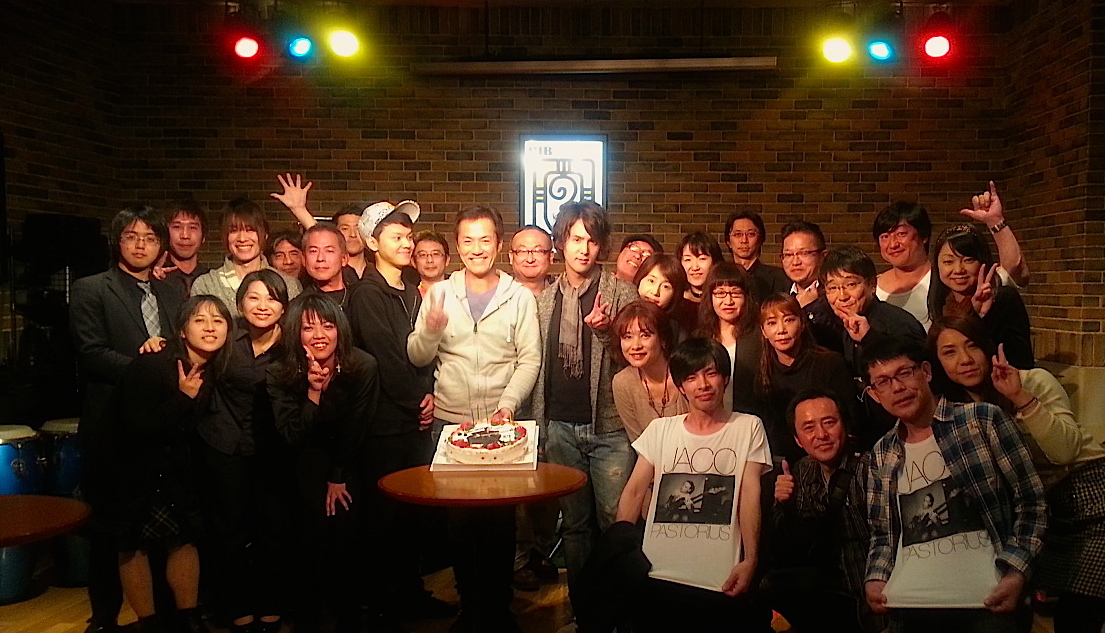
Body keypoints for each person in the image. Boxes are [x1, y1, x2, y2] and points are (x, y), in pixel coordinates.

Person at [408, 205, 541, 632]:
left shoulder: (519, 297)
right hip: (451, 424)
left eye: (485, 240)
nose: (477, 248)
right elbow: (417, 355)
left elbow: (529, 359)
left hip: (503, 426)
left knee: (501, 524)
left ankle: (499, 610)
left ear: (498, 245)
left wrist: (509, 404)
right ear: (458, 245)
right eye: (468, 240)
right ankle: (470, 608)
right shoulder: (438, 293)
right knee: (460, 525)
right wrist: (431, 328)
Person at [928, 316, 1105, 632]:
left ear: (987, 348)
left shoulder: (1032, 380)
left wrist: (1020, 397)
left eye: (972, 346)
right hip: (1044, 510)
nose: (965, 359)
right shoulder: (951, 409)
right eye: (949, 352)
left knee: (1079, 613)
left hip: (1089, 492)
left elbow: (1066, 451)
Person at [860, 338, 1046, 633]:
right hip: (912, 603)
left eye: (904, 373)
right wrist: (876, 577)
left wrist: (1016, 572)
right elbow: (883, 533)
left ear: (926, 371)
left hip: (987, 600)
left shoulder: (982, 421)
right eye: (883, 382)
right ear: (873, 393)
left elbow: (1032, 503)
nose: (897, 388)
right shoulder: (881, 453)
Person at [70, 205, 184, 633]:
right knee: (110, 532)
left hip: (163, 424)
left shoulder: (172, 292)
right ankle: (103, 618)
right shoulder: (91, 289)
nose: (141, 245)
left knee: (164, 529)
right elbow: (91, 353)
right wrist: (147, 366)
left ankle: (163, 617)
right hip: (111, 427)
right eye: (132, 237)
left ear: (161, 246)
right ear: (117, 242)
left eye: (150, 238)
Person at [614, 337, 773, 632]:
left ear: (725, 379)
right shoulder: (660, 430)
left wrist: (750, 559)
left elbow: (750, 493)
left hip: (720, 576)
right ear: (680, 386)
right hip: (657, 571)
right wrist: (620, 554)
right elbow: (634, 491)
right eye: (691, 377)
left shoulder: (748, 426)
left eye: (711, 373)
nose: (703, 385)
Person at [345, 200, 452, 627]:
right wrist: (416, 399)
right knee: (383, 518)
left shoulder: (409, 289)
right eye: (396, 236)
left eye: (408, 236)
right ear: (373, 243)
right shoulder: (368, 294)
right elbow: (387, 358)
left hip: (413, 420)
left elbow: (424, 351)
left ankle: (410, 594)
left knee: (412, 517)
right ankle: (383, 604)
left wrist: (428, 395)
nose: (406, 243)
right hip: (383, 425)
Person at [530, 200, 639, 617]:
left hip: (609, 428)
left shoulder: (621, 292)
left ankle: (621, 613)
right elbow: (536, 365)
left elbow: (637, 358)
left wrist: (607, 332)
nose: (584, 249)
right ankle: (585, 613)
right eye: (576, 239)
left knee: (616, 523)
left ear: (602, 246)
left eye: (592, 241)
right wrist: (539, 427)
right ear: (561, 243)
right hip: (559, 425)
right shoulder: (545, 299)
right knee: (575, 527)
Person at [106, 295, 232, 633]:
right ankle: (148, 623)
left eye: (218, 321)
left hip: (174, 468)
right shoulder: (153, 364)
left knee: (184, 538)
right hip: (132, 468)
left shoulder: (212, 367)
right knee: (132, 544)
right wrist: (182, 399)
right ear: (182, 330)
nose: (210, 328)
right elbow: (135, 426)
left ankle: (189, 619)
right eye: (199, 320)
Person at [267, 294, 378, 633]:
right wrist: (313, 394)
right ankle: (309, 617)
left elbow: (357, 426)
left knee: (346, 537)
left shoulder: (362, 365)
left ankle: (350, 617)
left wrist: (338, 476)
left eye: (328, 326)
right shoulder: (280, 372)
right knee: (308, 541)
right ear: (294, 332)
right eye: (308, 328)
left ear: (339, 329)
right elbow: (292, 435)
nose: (319, 335)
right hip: (301, 461)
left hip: (347, 460)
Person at [196, 270, 290, 633]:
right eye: (253, 297)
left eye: (272, 298)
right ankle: (237, 608)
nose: (262, 306)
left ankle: (271, 606)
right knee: (229, 532)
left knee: (272, 531)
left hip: (273, 448)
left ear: (284, 306)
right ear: (239, 304)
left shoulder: (293, 345)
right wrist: (157, 343)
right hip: (224, 445)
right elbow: (187, 344)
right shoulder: (225, 339)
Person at [766, 390, 876, 633]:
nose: (821, 435)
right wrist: (784, 505)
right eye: (809, 428)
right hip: (827, 595)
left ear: (845, 426)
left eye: (829, 422)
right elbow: (791, 545)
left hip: (872, 594)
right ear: (797, 439)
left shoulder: (872, 469)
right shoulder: (801, 471)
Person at [873, 182, 1030, 331]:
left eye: (901, 234)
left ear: (924, 235)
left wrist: (995, 221)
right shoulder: (870, 287)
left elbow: (1013, 268)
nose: (893, 244)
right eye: (884, 237)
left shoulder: (952, 279)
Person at [821, 246, 925, 447]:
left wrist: (870, 338)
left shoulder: (898, 323)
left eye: (851, 284)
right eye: (832, 288)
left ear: (872, 285)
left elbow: (918, 383)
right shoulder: (845, 324)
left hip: (907, 433)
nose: (842, 296)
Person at [755, 293, 860, 463]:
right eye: (772, 323)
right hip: (784, 461)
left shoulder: (830, 363)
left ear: (802, 323)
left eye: (789, 320)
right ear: (763, 331)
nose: (781, 330)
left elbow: (851, 421)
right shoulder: (762, 372)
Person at [928, 224, 1034, 369]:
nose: (958, 269)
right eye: (948, 262)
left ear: (982, 261)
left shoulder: (1002, 298)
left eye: (968, 260)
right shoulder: (942, 305)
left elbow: (1019, 359)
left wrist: (979, 316)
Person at [191, 198, 301, 318]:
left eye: (250, 230)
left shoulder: (289, 284)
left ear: (265, 234)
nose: (242, 239)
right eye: (234, 231)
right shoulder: (206, 285)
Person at [611, 301, 688, 442]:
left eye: (645, 335)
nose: (635, 346)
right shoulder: (622, 382)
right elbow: (639, 443)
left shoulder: (687, 374)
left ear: (663, 339)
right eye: (627, 337)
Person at [270, 173, 372, 280]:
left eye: (357, 228)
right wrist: (299, 210)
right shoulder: (320, 269)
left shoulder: (377, 269)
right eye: (345, 229)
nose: (352, 234)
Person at [694, 261, 762, 417]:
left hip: (750, 419)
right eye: (720, 293)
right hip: (710, 420)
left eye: (736, 293)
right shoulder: (699, 338)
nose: (728, 301)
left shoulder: (759, 336)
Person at [778, 220, 837, 349]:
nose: (795, 262)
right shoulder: (779, 293)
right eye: (788, 255)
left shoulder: (837, 294)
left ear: (823, 256)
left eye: (804, 253)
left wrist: (811, 308)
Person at [724, 211, 790, 302]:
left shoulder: (779, 277)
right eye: (737, 234)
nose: (744, 240)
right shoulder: (721, 277)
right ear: (728, 241)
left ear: (761, 239)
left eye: (751, 234)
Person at [633, 253, 695, 337]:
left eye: (665, 286)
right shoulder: (622, 313)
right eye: (651, 281)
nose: (655, 292)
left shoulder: (677, 331)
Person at [158, 199, 210, 296]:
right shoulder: (157, 278)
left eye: (193, 227)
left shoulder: (212, 280)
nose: (185, 235)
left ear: (203, 236)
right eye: (177, 227)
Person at [302, 223, 354, 310]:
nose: (320, 258)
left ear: (344, 259)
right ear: (303, 259)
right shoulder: (301, 306)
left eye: (329, 251)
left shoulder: (360, 295)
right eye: (313, 251)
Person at [678, 231, 723, 304]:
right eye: (688, 260)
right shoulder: (675, 301)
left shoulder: (724, 300)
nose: (695, 267)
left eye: (702, 259)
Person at [509, 225, 556, 296]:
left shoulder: (563, 293)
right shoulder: (497, 294)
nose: (530, 260)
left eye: (538, 251)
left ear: (551, 257)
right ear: (511, 257)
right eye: (522, 251)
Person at [413, 230, 451, 296]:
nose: (430, 260)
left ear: (447, 260)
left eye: (435, 254)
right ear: (413, 262)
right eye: (422, 255)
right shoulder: (409, 296)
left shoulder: (460, 292)